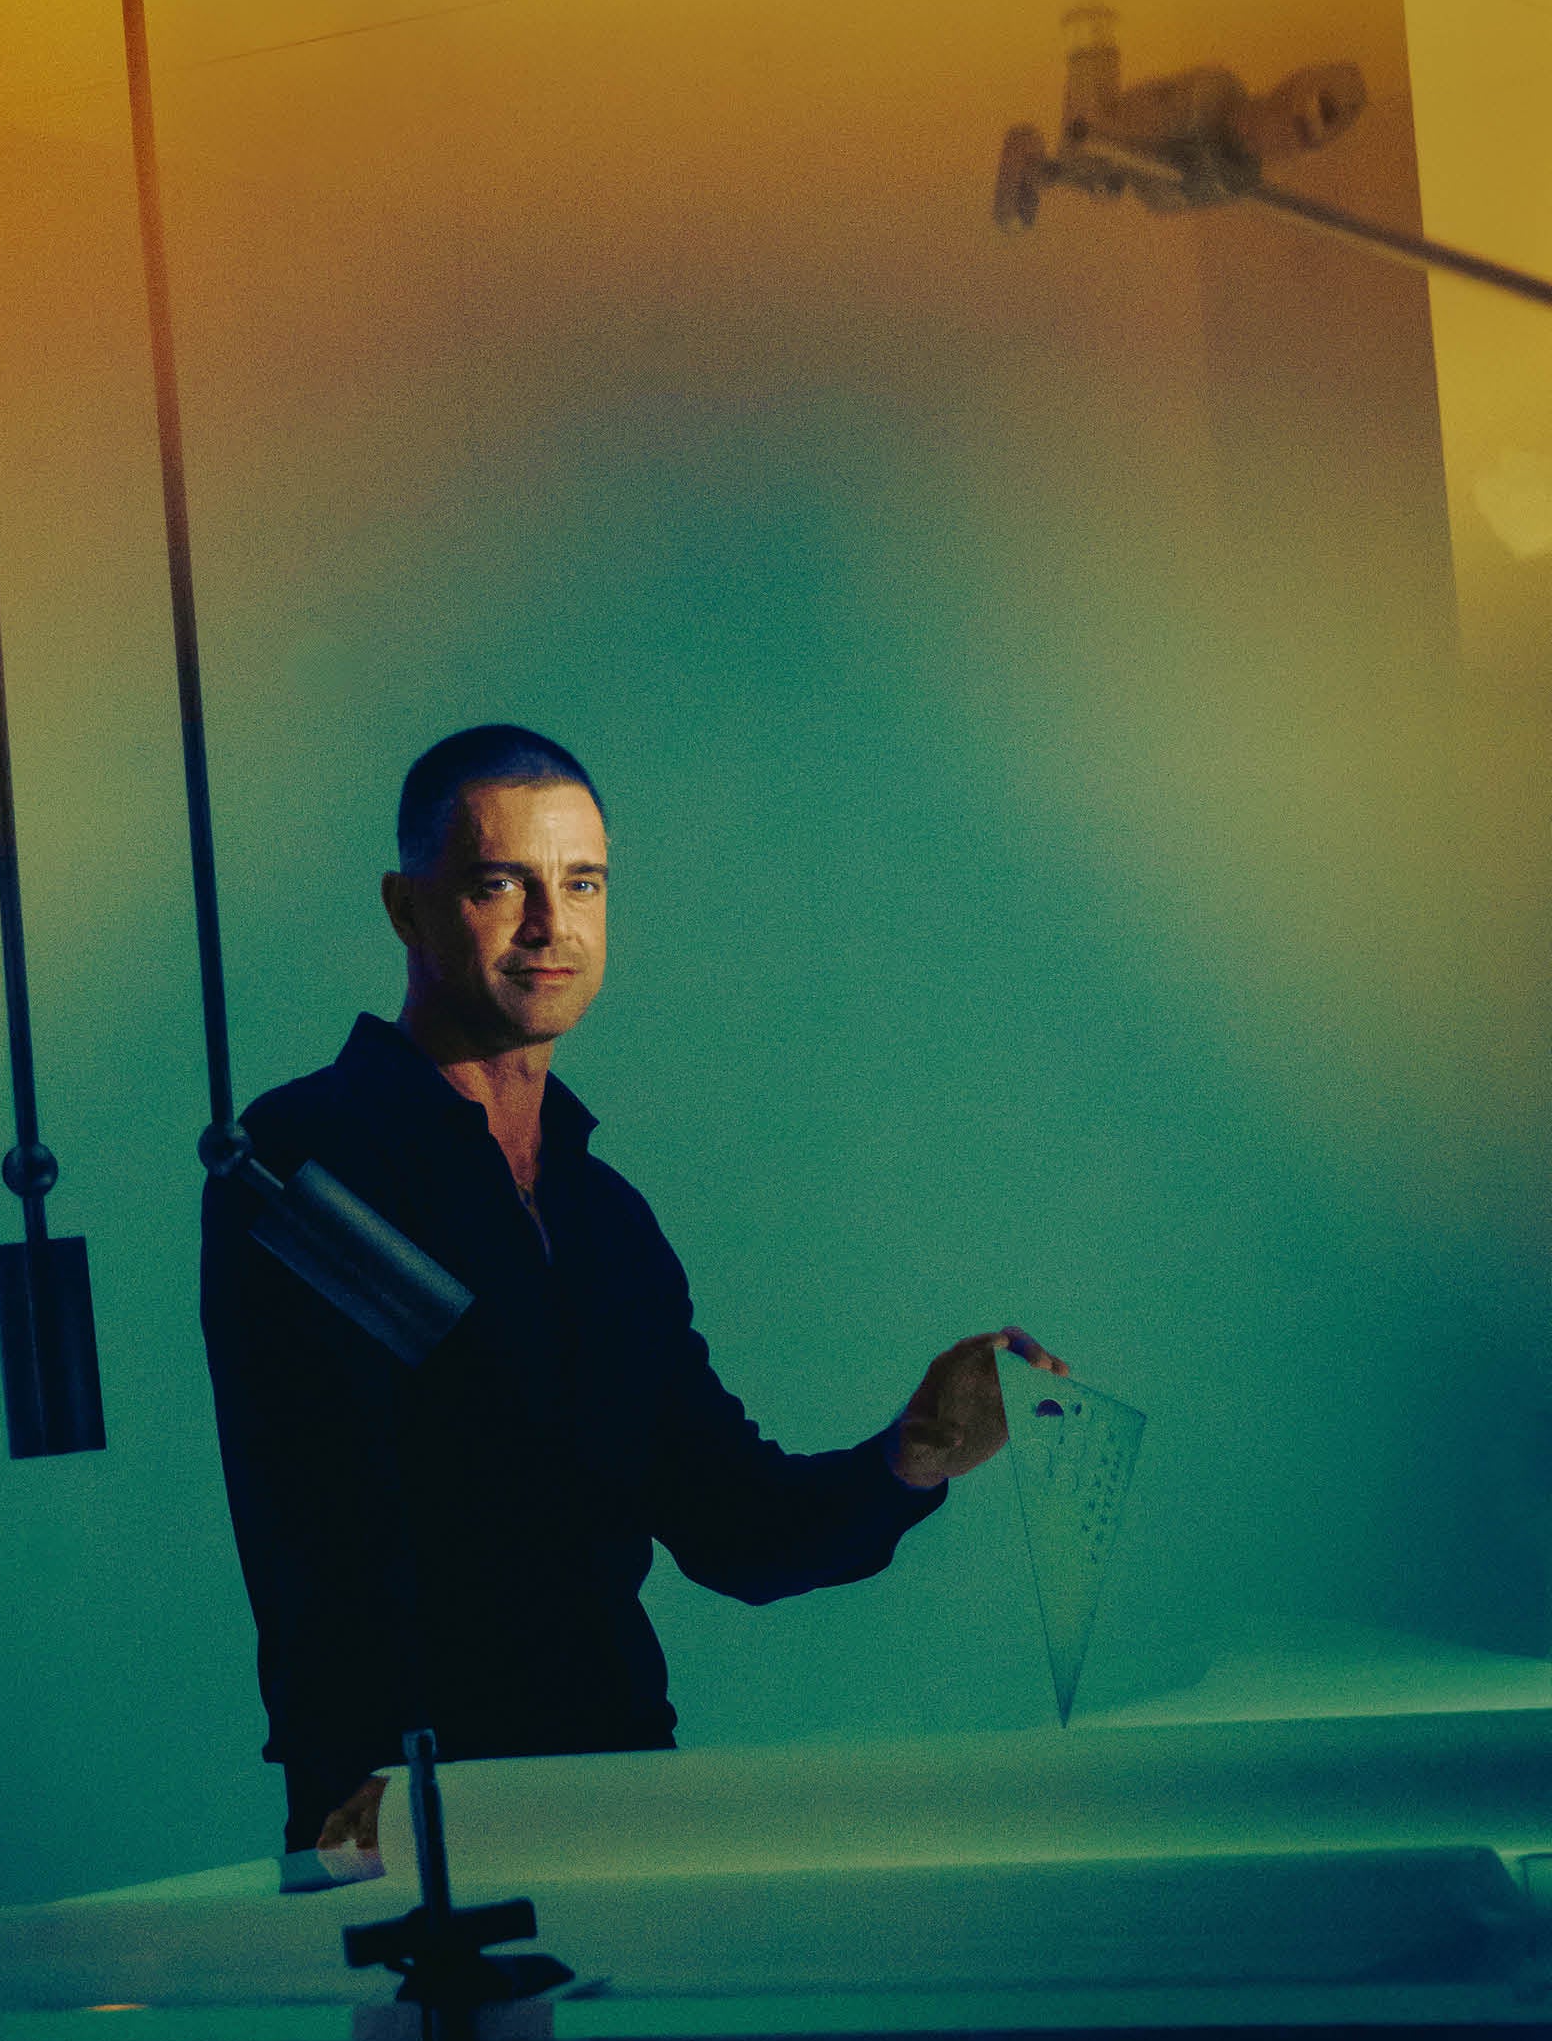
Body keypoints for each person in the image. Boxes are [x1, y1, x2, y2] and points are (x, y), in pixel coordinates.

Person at [201, 724, 1067, 1858]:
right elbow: (320, 1519)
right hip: (410, 1815)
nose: (549, 926)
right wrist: (364, 1795)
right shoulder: (306, 1156)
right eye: (500, 883)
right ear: (405, 908)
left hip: (622, 1797)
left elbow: (732, 1526)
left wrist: (915, 1453)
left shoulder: (604, 1217)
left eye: (583, 883)